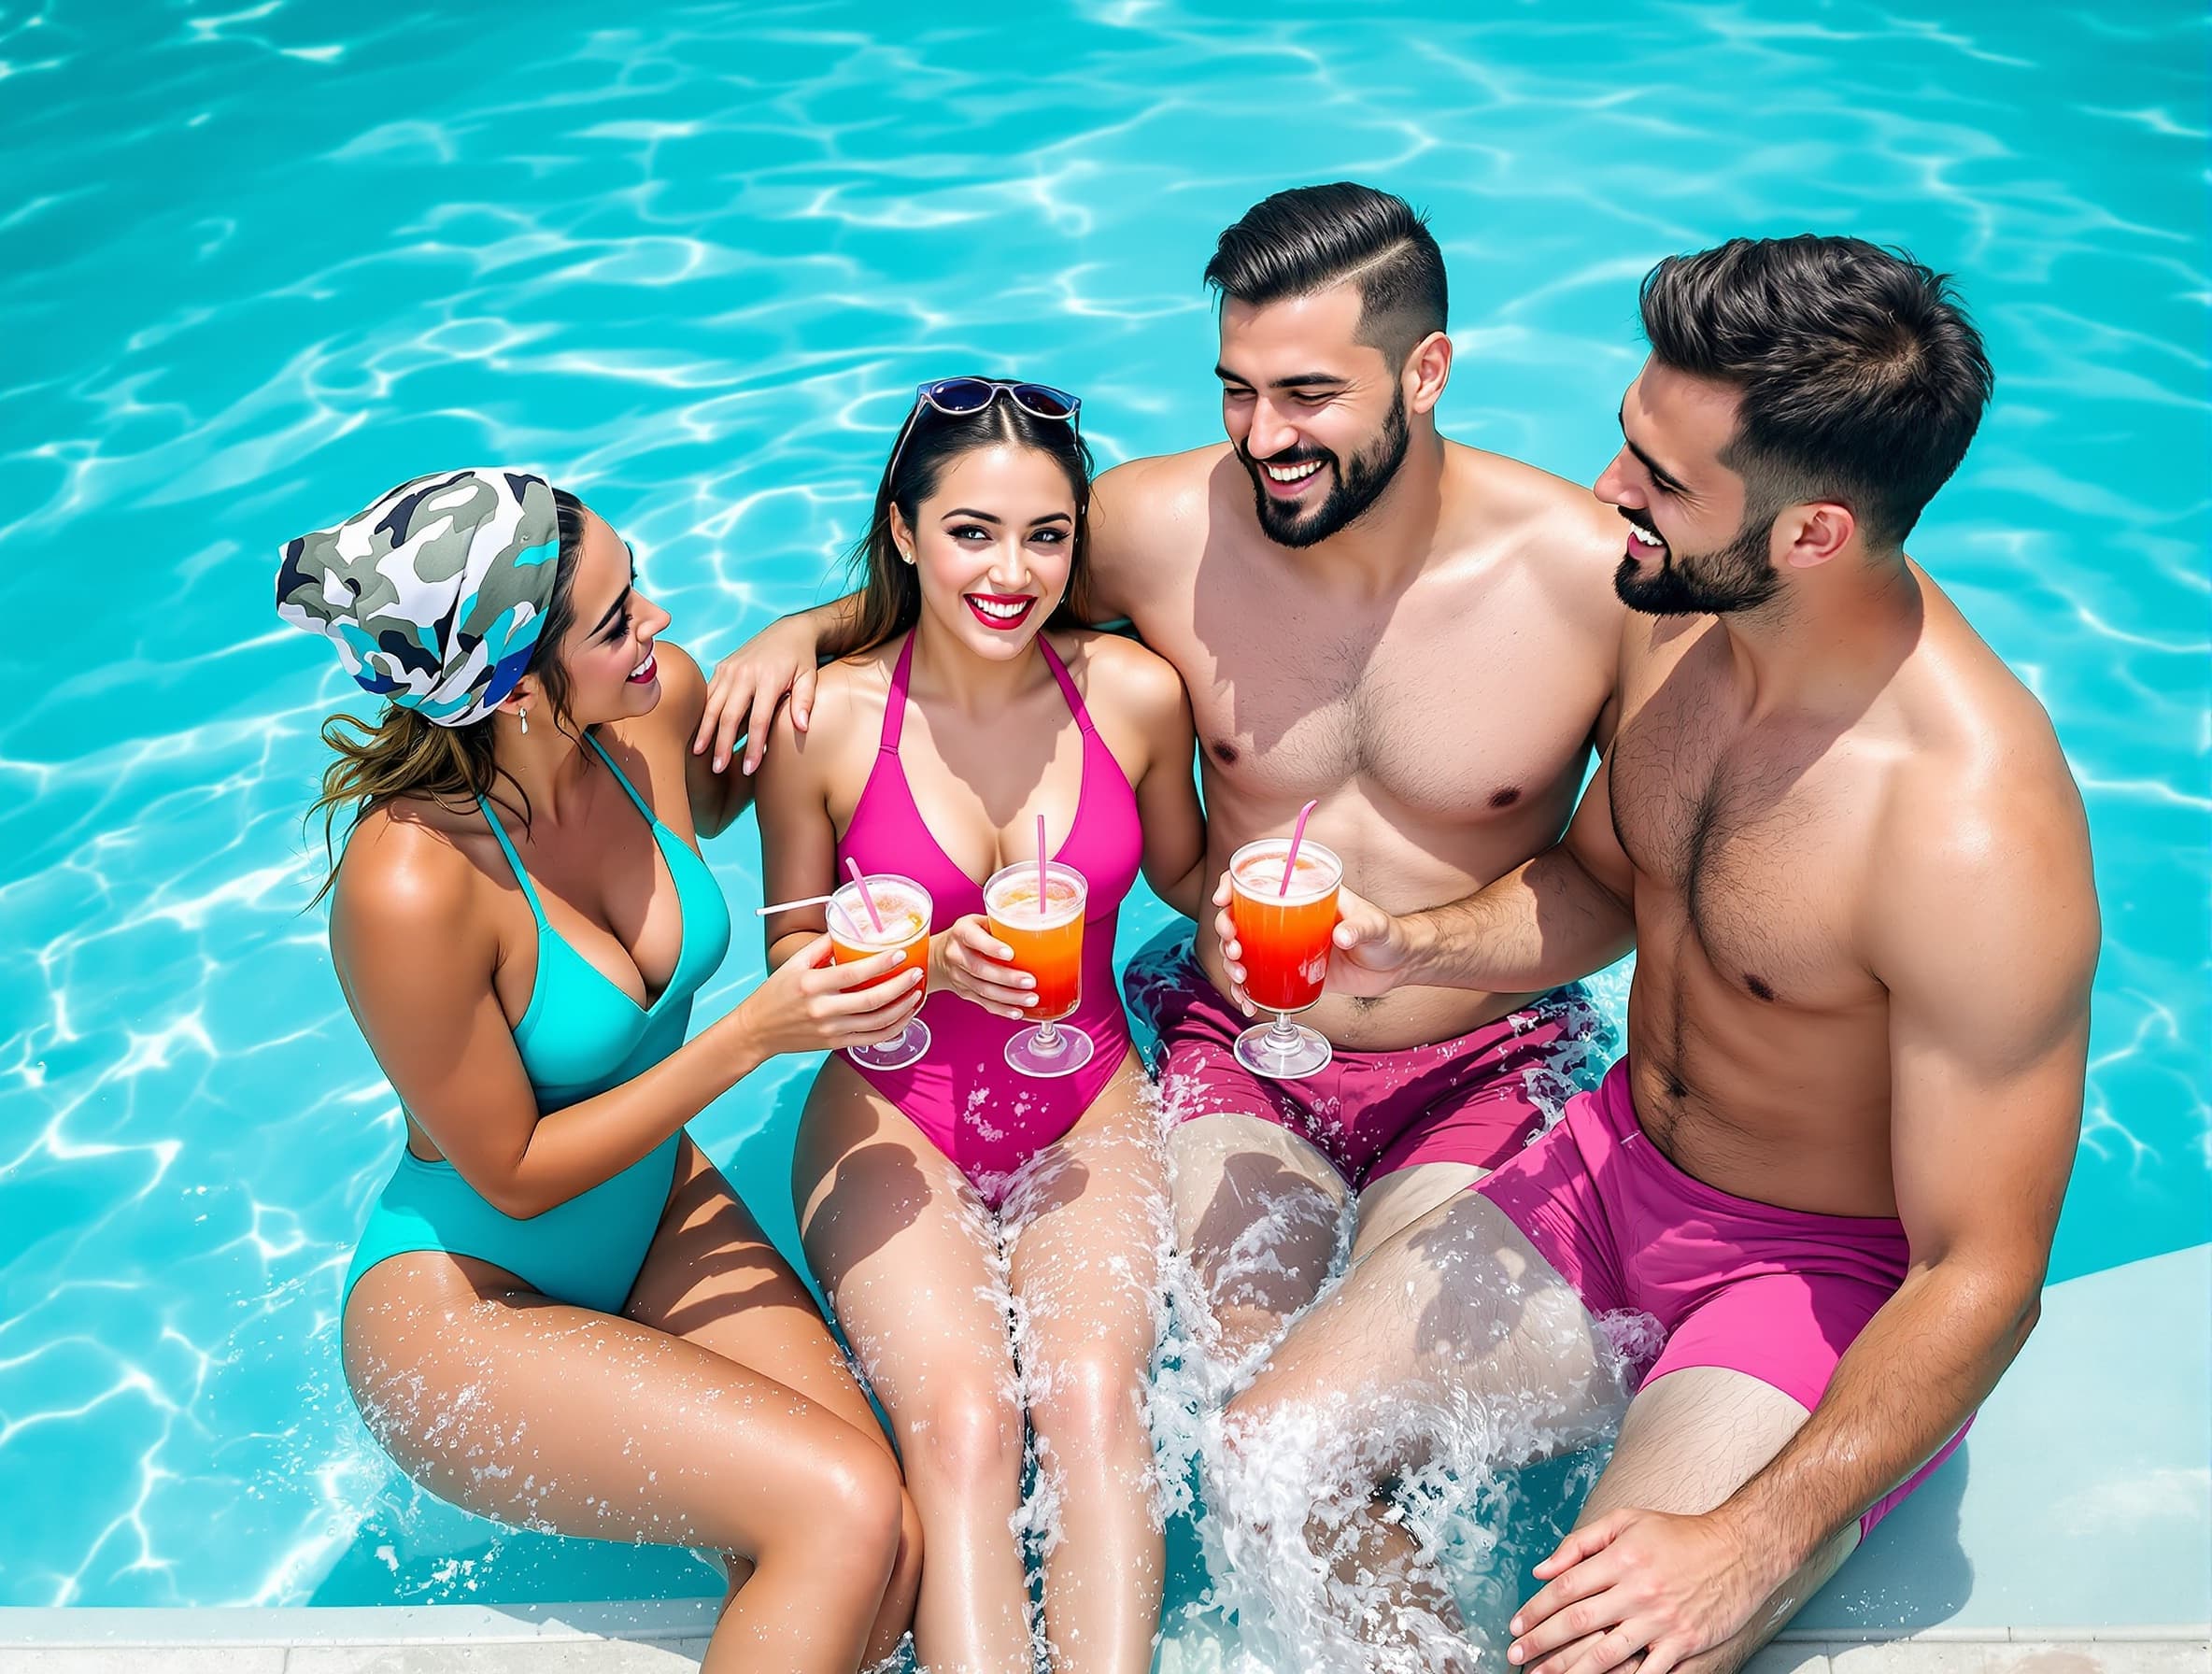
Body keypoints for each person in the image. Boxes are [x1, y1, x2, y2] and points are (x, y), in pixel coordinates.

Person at [1208, 236, 2099, 1673]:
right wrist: (1405, 943)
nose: (1611, 494)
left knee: (1597, 1648)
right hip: (1614, 1174)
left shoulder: (1967, 826)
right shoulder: (1681, 626)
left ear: (1813, 532)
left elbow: (1983, 1273)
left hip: (1821, 1275)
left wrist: (1755, 1536)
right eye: (1626, 443)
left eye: (1661, 480)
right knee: (1268, 1463)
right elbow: (1603, 887)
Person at [700, 182, 1626, 1374]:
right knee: (1238, 1378)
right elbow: (982, 590)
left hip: (1481, 1062)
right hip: (1235, 1038)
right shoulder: (1154, 526)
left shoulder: (1590, 585)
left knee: (1371, 1402)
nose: (1263, 438)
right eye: (1237, 391)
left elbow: (1620, 887)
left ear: (1425, 371)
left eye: (1308, 395)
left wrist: (1421, 942)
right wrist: (810, 627)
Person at [280, 469, 928, 1674]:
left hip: (651, 1208)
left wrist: (802, 631)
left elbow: (814, 680)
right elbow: (515, 1173)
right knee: (836, 1510)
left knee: (886, 1532)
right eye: (621, 614)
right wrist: (751, 1034)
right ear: (518, 679)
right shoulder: (411, 883)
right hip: (469, 1298)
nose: (662, 625)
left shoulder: (645, 712)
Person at [753, 379, 1207, 1673]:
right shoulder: (829, 717)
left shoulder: (1131, 693)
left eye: (1046, 536)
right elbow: (794, 950)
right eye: (971, 533)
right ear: (902, 534)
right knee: (962, 1429)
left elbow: (1185, 876)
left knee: (1089, 1403)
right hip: (894, 1111)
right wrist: (927, 963)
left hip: (1088, 1100)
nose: (1013, 572)